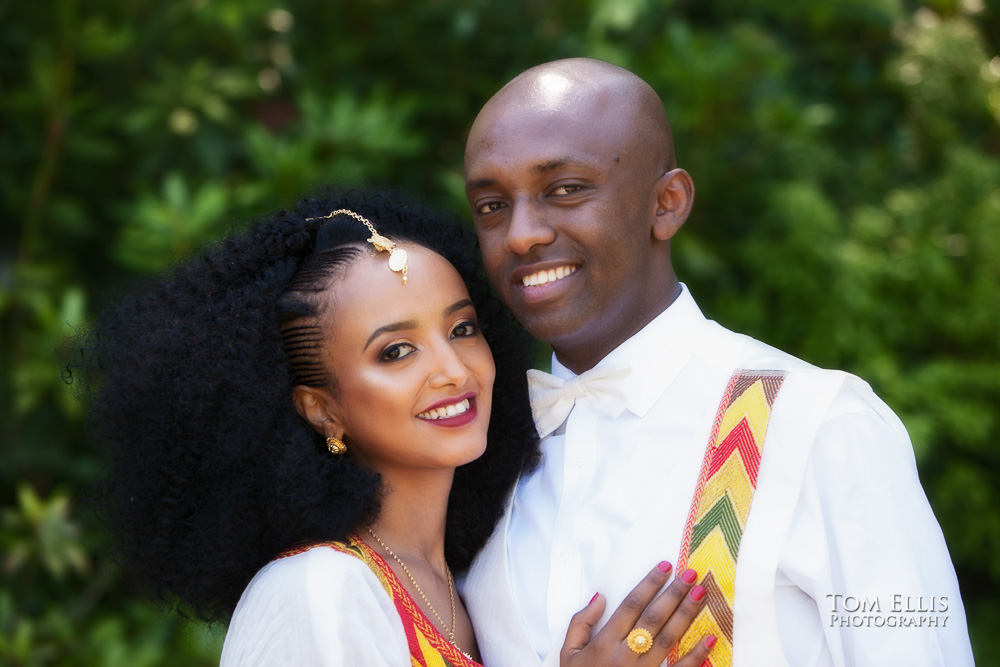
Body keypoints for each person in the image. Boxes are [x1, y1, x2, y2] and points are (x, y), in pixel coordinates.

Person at [461, 58, 976, 667]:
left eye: (564, 190)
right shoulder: (472, 455)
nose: (521, 234)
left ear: (667, 203)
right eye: (492, 205)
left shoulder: (822, 427)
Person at [80, 188, 716, 666]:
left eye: (462, 329)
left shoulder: (476, 580)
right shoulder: (316, 591)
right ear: (320, 409)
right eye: (395, 352)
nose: (451, 369)